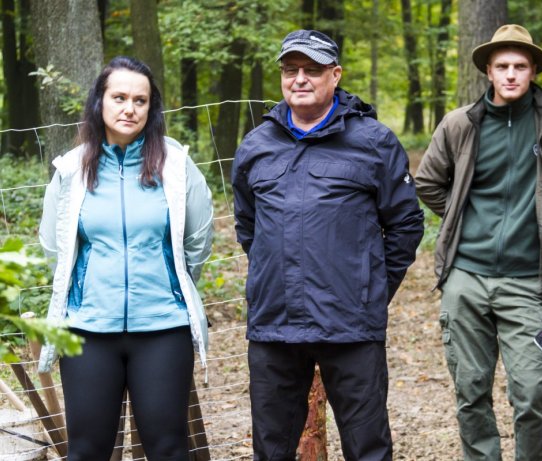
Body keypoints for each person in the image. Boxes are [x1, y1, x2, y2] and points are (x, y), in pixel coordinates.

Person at [232, 29, 424, 460]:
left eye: (312, 70)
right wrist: (274, 275)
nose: (300, 79)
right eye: (290, 70)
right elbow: (249, 226)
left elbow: (406, 224)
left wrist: (368, 289)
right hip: (273, 324)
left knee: (367, 447)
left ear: (335, 75)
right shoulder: (256, 145)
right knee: (272, 447)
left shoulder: (373, 142)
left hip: (351, 325)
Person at [415, 24, 542, 461]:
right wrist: (463, 217)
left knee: (532, 391)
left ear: (533, 71)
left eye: (520, 66)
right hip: (466, 278)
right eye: (502, 67)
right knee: (471, 390)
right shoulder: (461, 124)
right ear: (488, 73)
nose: (511, 74)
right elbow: (428, 182)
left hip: (528, 281)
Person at [37, 56, 214, 460]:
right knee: (86, 450)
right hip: (87, 332)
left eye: (140, 100)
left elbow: (198, 242)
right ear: (100, 101)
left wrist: (171, 284)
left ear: (151, 108)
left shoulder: (177, 166)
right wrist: (84, 292)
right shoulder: (70, 170)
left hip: (162, 329)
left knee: (168, 448)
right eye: (119, 97)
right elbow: (55, 248)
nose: (129, 108)